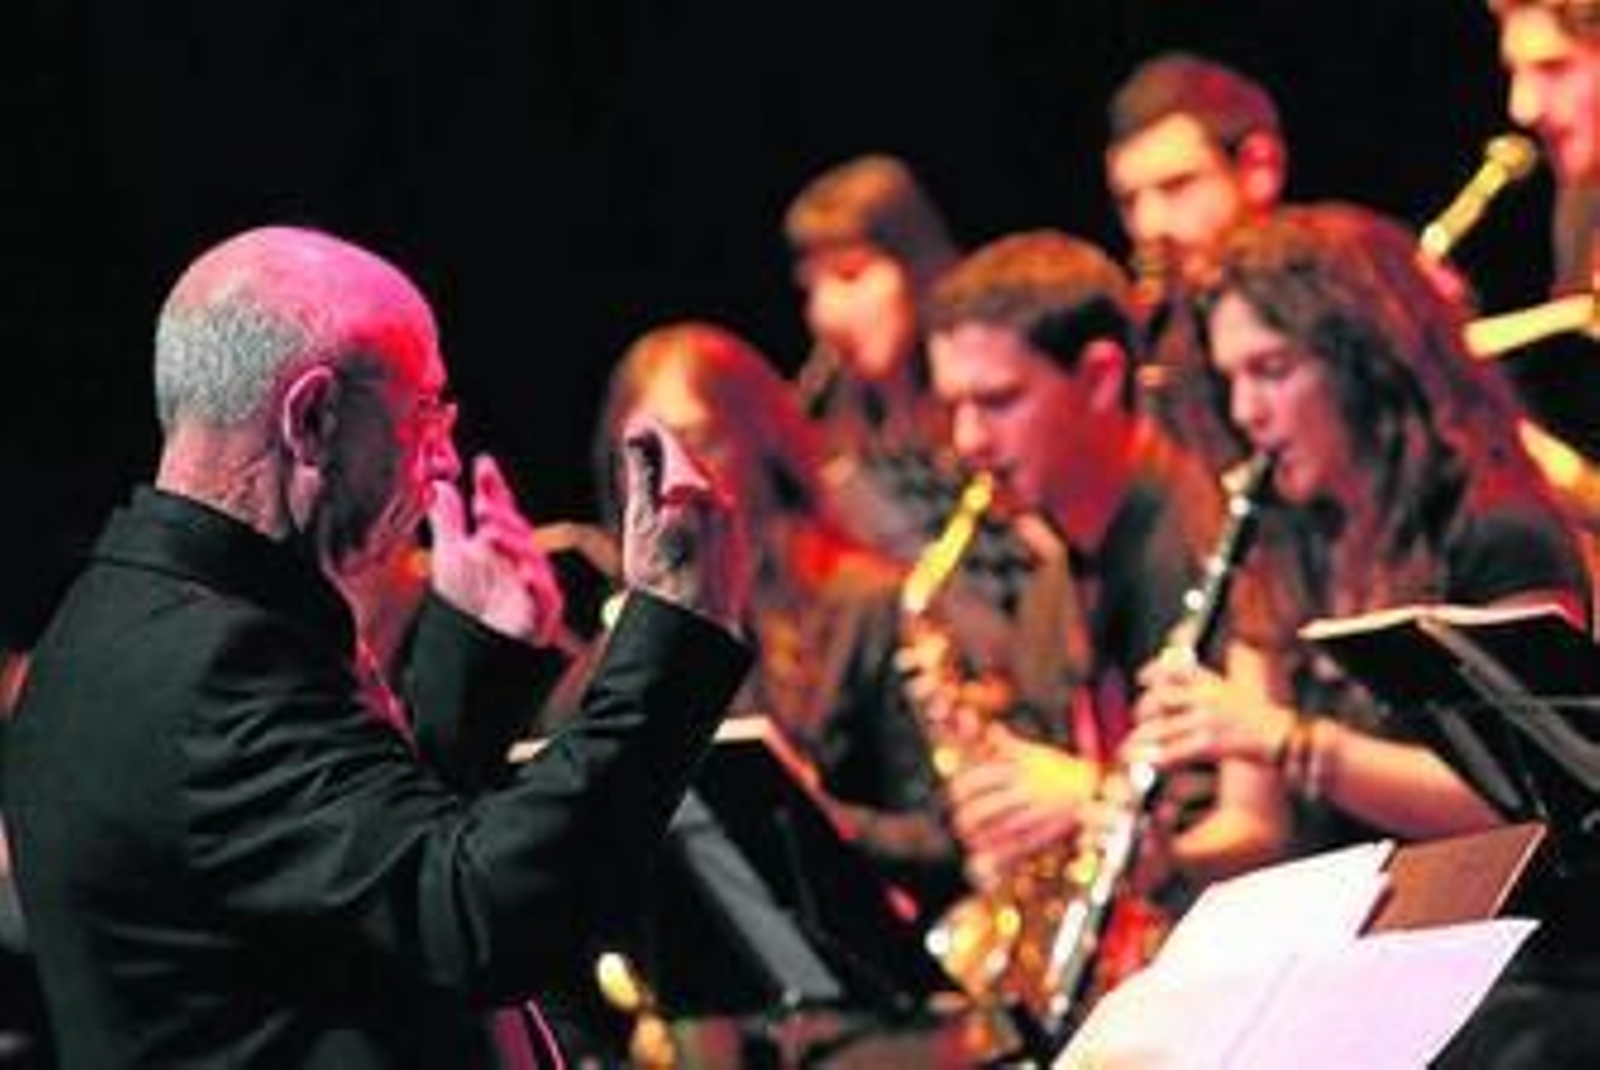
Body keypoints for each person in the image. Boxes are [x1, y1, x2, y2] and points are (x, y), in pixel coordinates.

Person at [2, 225, 752, 1069]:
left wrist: (473, 652)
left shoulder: (135, 619)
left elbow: (350, 883)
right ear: (313, 417)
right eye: (425, 413)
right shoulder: (205, 664)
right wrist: (679, 629)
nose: (440, 463)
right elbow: (474, 921)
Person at [1125, 202, 1596, 1065]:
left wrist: (1290, 741)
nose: (1246, 410)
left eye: (1271, 370)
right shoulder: (1281, 545)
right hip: (1365, 948)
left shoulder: (1497, 530)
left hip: (1520, 954)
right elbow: (1254, 827)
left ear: (1361, 362)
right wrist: (1162, 856)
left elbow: (1525, 801)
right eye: (1231, 378)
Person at [917, 230, 1243, 951]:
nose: (966, 439)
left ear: (1099, 378)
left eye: (998, 401)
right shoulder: (1052, 587)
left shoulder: (1207, 545)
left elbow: (1260, 820)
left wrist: (1084, 796)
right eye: (955, 406)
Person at [784, 154, 1033, 643]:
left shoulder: (988, 419)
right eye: (811, 289)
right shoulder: (834, 444)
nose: (826, 314)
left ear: (916, 270)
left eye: (850, 276)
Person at [1104, 51, 1289, 471]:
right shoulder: (1153, 345)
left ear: (1260, 167)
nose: (1149, 226)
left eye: (1177, 186)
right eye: (1129, 202)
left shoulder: (1344, 292)